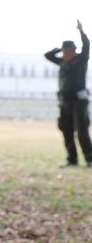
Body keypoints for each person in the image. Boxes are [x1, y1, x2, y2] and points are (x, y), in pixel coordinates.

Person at [44, 20, 92, 167]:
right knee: (66, 129)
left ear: (73, 51)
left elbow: (87, 46)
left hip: (79, 102)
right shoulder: (62, 62)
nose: (65, 54)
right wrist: (58, 50)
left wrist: (81, 32)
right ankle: (72, 159)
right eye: (63, 51)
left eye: (67, 51)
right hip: (65, 102)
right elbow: (47, 55)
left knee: (82, 131)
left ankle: (90, 159)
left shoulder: (81, 60)